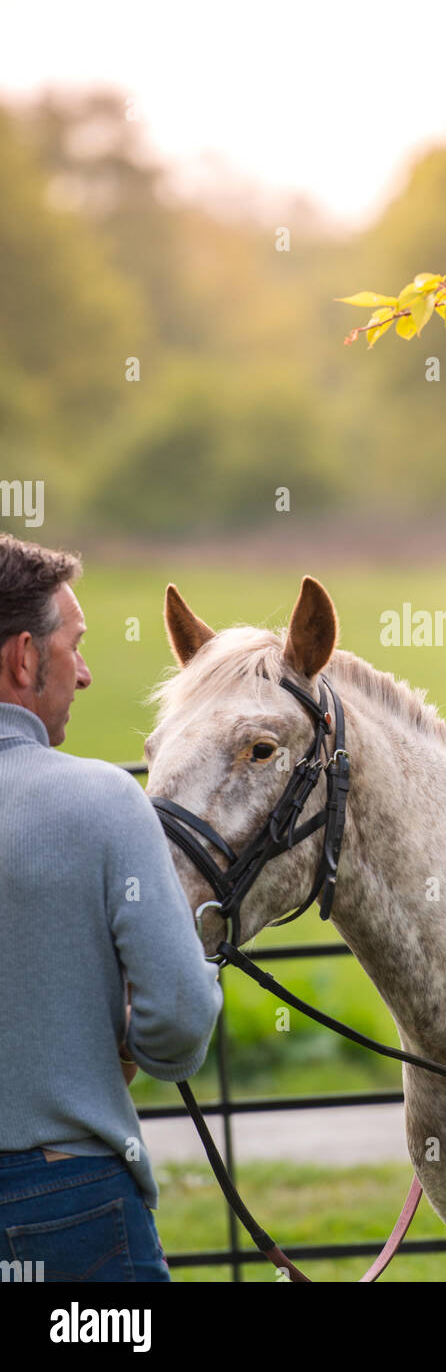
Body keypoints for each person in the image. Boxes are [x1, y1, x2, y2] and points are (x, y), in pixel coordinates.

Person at [0, 534, 222, 1281]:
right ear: (24, 658)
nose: (87, 673)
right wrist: (127, 1037)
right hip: (66, 1198)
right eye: (76, 646)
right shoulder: (100, 800)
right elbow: (180, 1022)